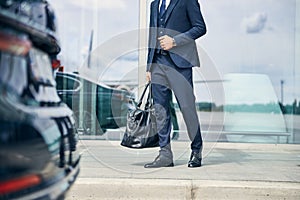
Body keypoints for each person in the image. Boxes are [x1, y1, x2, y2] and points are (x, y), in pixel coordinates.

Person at [144, 0, 206, 168]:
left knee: (187, 107)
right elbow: (152, 34)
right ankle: (165, 154)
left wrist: (175, 40)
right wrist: (149, 66)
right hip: (158, 63)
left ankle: (196, 150)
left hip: (180, 64)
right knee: (160, 110)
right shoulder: (154, 4)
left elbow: (200, 27)